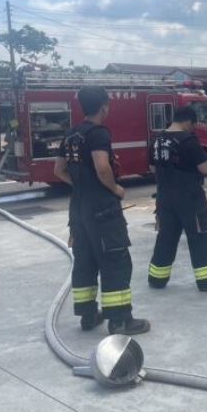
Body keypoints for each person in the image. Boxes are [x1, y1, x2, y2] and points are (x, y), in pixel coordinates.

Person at [54, 87, 150, 335]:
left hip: (78, 209)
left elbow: (59, 170)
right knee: (115, 260)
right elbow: (102, 167)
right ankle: (119, 320)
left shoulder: (71, 134)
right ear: (104, 107)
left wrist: (83, 186)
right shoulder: (98, 134)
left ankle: (87, 315)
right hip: (102, 210)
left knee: (85, 260)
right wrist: (116, 188)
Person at [147, 105, 207, 291]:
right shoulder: (188, 140)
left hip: (164, 198)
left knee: (166, 237)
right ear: (187, 122)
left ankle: (156, 279)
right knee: (200, 236)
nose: (193, 129)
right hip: (189, 198)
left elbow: (153, 168)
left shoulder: (157, 140)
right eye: (193, 125)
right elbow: (205, 169)